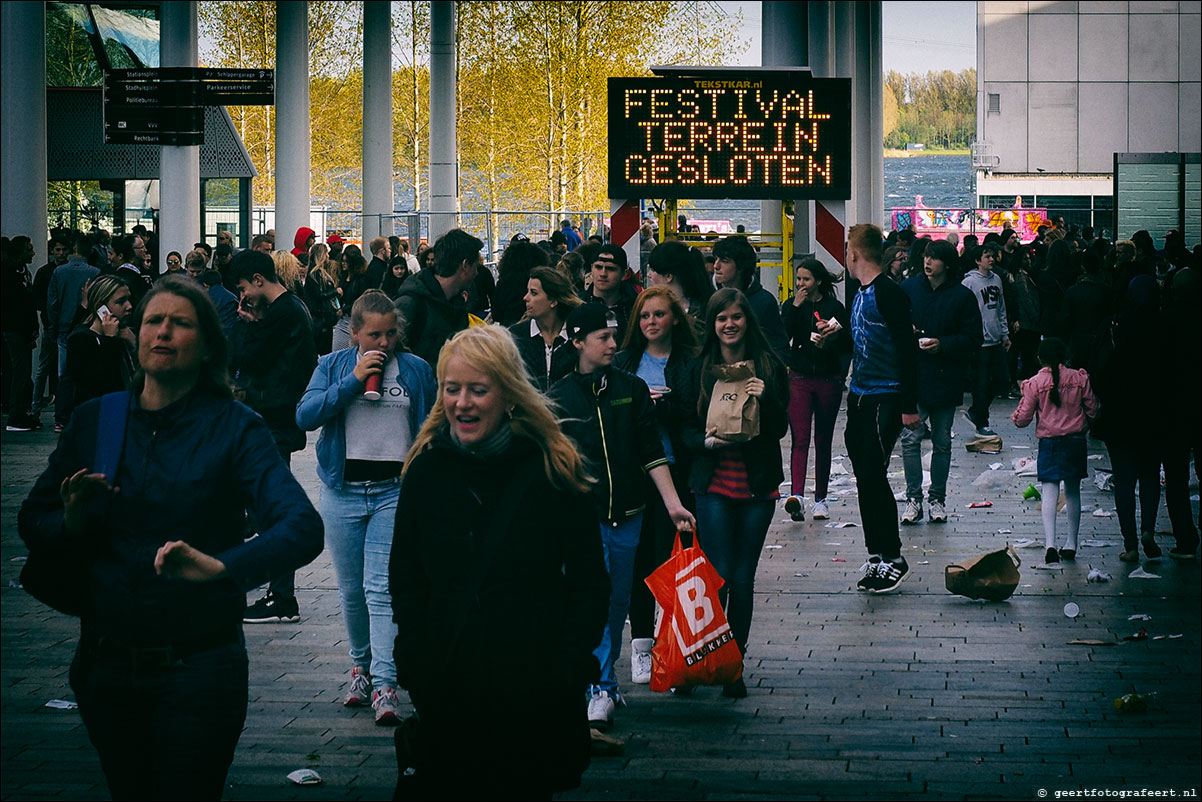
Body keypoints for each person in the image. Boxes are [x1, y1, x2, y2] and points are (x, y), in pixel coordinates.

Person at [18, 274, 324, 800]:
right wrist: (70, 520)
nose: (162, 332)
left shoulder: (235, 427)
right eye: (152, 321)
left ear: (207, 345)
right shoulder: (99, 421)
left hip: (200, 667)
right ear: (134, 336)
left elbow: (300, 525)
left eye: (179, 323)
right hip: (106, 664)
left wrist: (226, 567)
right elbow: (33, 519)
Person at [391, 326, 608, 799]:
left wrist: (568, 666)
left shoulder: (552, 468)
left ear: (508, 395)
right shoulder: (426, 470)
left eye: (477, 390)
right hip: (449, 689)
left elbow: (590, 581)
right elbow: (406, 578)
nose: (462, 403)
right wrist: (416, 662)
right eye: (452, 389)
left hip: (532, 693)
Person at [550, 303, 695, 728]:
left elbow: (651, 451)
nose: (614, 344)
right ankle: (600, 685)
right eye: (603, 337)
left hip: (629, 513)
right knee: (590, 597)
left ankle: (601, 675)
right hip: (582, 517)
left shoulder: (630, 389)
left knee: (615, 602)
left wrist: (672, 503)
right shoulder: (559, 397)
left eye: (614, 336)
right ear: (578, 342)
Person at [296, 290, 436, 726]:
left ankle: (385, 683)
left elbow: (432, 424)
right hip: (343, 491)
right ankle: (360, 667)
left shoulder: (414, 369)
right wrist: (354, 379)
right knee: (351, 591)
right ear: (355, 333)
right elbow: (305, 416)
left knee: (380, 589)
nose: (383, 343)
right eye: (374, 334)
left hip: (394, 491)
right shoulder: (332, 365)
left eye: (391, 333)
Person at [681, 288, 788, 697]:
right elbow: (684, 429)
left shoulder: (768, 366)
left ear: (748, 322)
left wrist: (770, 398)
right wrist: (705, 443)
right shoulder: (700, 369)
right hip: (712, 484)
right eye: (722, 318)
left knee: (743, 578)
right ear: (714, 324)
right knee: (718, 574)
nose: (729, 324)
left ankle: (734, 662)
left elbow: (779, 428)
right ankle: (703, 655)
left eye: (736, 317)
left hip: (757, 487)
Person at [614, 285, 699, 685]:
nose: (651, 322)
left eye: (659, 315)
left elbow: (696, 414)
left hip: (678, 469)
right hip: (635, 472)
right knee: (640, 560)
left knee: (678, 561)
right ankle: (642, 645)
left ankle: (680, 642)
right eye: (645, 316)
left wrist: (665, 407)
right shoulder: (627, 360)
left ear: (674, 320)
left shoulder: (689, 361)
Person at [229, 250, 318, 623]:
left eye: (243, 287)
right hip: (275, 418)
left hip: (272, 419)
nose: (243, 296)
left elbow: (249, 359)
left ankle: (281, 597)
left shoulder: (282, 314)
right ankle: (274, 590)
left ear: (259, 279)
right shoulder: (290, 309)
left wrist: (248, 324)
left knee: (271, 507)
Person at [844, 223, 919, 594]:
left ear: (854, 254)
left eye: (846, 250)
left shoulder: (889, 293)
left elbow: (907, 347)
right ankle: (876, 554)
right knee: (863, 474)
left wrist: (908, 405)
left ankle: (893, 556)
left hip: (885, 396)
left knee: (874, 472)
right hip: (859, 395)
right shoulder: (860, 293)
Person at [899, 240, 983, 524]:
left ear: (947, 263)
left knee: (942, 441)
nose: (928, 263)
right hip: (913, 375)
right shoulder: (909, 289)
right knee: (910, 439)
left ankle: (937, 498)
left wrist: (943, 344)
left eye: (934, 259)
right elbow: (890, 323)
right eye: (926, 257)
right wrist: (906, 331)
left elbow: (974, 337)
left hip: (946, 377)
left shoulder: (961, 296)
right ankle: (913, 497)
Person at [1011, 337, 1099, 564]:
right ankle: (1071, 543)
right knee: (1072, 492)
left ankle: (1050, 543)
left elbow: (1022, 419)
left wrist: (1016, 416)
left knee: (1049, 491)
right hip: (1075, 442)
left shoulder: (1035, 383)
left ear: (1039, 358)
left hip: (1049, 443)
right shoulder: (1079, 379)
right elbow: (1093, 409)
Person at [780, 258, 851, 522]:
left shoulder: (834, 308)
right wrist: (795, 308)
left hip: (828, 378)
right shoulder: (792, 305)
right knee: (799, 438)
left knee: (823, 439)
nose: (801, 285)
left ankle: (821, 499)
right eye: (798, 280)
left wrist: (829, 341)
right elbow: (782, 333)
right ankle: (796, 494)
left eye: (806, 280)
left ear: (818, 281)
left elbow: (846, 343)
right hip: (798, 376)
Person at [394, 228, 481, 370]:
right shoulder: (411, 303)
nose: (476, 273)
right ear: (465, 265)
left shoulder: (456, 304)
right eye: (475, 266)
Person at [47, 233, 100, 432]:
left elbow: (52, 303)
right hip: (86, 327)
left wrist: (54, 325)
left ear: (73, 250)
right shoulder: (95, 272)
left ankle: (61, 417)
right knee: (84, 374)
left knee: (64, 375)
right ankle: (80, 414)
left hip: (64, 327)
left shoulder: (59, 272)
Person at [711, 235, 789, 363]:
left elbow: (778, 348)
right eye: (716, 259)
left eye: (724, 261)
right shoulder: (707, 298)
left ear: (741, 266)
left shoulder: (764, 302)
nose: (716, 266)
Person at [64, 275, 136, 409]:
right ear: (101, 308)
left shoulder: (125, 334)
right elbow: (94, 383)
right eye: (121, 301)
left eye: (128, 299)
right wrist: (109, 341)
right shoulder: (81, 339)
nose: (129, 306)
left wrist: (135, 345)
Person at [961, 243, 1011, 437]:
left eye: (992, 256)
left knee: (1001, 380)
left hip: (995, 337)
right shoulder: (969, 283)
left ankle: (976, 411)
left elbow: (1001, 307)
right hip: (978, 341)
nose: (991, 259)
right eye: (987, 256)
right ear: (977, 260)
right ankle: (982, 420)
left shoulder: (997, 279)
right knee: (980, 383)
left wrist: (1004, 333)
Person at [508, 265, 580, 392]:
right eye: (528, 291)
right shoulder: (516, 335)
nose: (526, 298)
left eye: (534, 293)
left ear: (553, 300)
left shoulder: (576, 335)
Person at [3, 236, 40, 431]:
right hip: (15, 329)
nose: (33, 252)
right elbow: (18, 306)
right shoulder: (11, 274)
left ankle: (19, 412)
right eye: (29, 249)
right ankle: (16, 416)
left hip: (20, 330)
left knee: (21, 371)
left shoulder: (21, 272)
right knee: (20, 371)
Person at [580, 245, 640, 343]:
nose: (603, 274)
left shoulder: (636, 307)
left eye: (610, 269)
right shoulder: (579, 304)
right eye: (598, 267)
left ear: (624, 274)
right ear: (591, 269)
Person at [646, 240, 712, 325]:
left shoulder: (704, 313)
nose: (648, 275)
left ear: (668, 276)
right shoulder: (703, 307)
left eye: (653, 270)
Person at [493, 238, 551, 327]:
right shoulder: (540, 283)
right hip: (536, 325)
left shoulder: (504, 283)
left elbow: (496, 314)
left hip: (508, 328)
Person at [304, 242, 342, 355]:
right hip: (322, 318)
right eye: (326, 254)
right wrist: (335, 291)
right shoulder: (317, 274)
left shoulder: (315, 274)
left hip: (320, 317)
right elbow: (319, 295)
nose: (328, 257)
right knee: (325, 350)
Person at [201, 269, 239, 338]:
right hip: (231, 336)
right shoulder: (233, 297)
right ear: (221, 283)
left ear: (205, 285)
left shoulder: (204, 298)